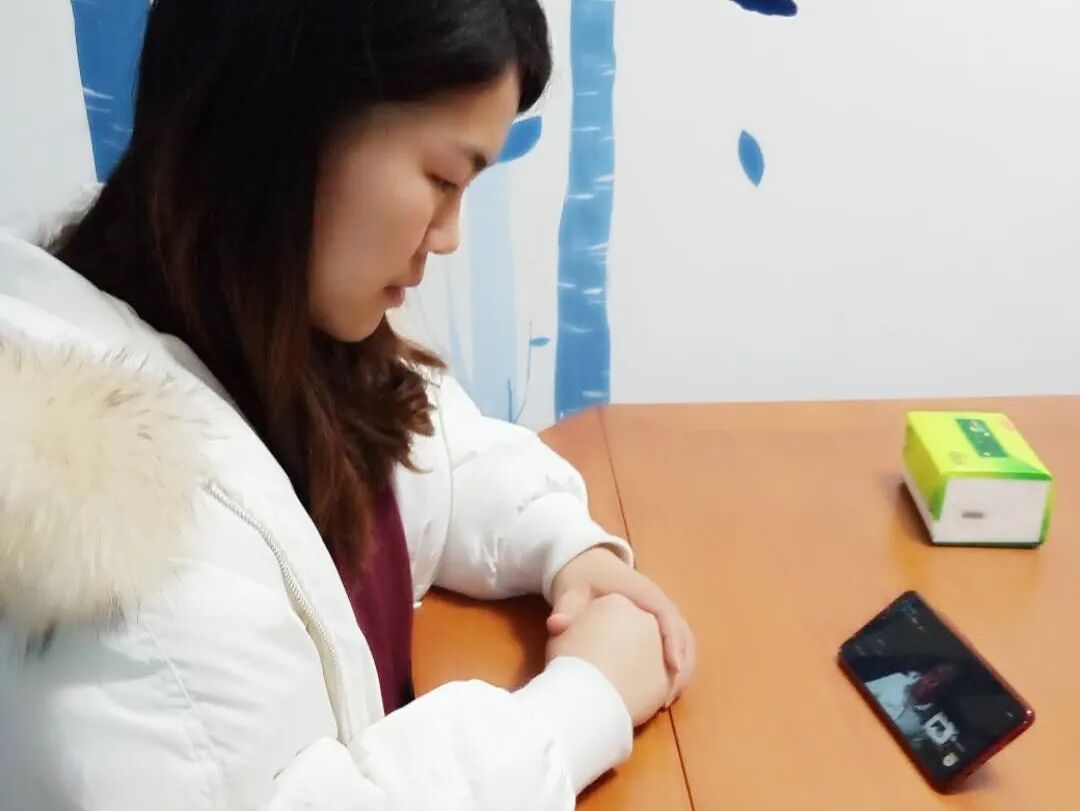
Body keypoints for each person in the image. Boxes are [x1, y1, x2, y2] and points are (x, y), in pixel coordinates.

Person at [0, 1, 696, 809]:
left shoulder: (281, 333)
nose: (448, 235)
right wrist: (581, 705)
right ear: (290, 120)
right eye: (443, 179)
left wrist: (569, 549)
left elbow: (442, 454)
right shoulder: (102, 539)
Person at [866, 663, 959, 745]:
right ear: (925, 673)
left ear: (945, 692)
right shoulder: (896, 680)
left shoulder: (930, 726)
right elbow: (861, 692)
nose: (935, 683)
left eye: (944, 684)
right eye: (936, 674)